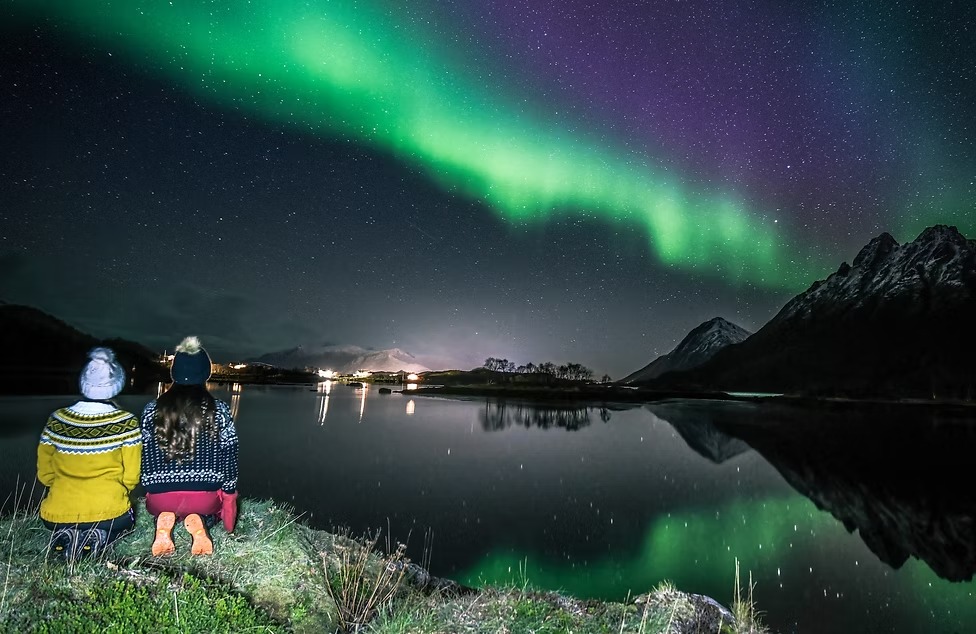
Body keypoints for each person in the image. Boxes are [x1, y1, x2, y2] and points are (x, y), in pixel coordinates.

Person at [37, 347, 141, 560]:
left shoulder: (57, 419)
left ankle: (65, 533)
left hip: (56, 514)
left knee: (62, 519)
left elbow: (45, 474)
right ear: (116, 386)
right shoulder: (126, 422)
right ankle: (99, 536)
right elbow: (131, 477)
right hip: (110, 513)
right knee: (127, 519)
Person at [139, 336, 238, 556]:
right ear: (206, 373)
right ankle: (201, 520)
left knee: (163, 507)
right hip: (203, 498)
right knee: (208, 511)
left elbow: (143, 455)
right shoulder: (219, 410)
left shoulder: (151, 410)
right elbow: (229, 462)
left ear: (175, 372)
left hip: (159, 496)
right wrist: (229, 500)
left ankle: (164, 519)